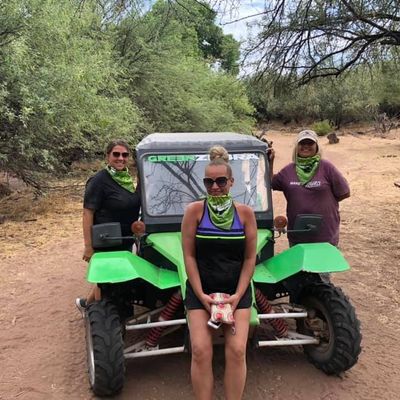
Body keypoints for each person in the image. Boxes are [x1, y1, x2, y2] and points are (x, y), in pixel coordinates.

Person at [181, 146, 257, 400]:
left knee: (237, 351)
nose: (215, 187)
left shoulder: (245, 214)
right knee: (200, 350)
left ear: (231, 182)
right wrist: (202, 295)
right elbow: (189, 256)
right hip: (201, 289)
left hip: (236, 290)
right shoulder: (194, 211)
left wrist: (237, 295)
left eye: (221, 181)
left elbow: (249, 258)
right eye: (209, 182)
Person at [75, 139, 141, 312]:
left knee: (115, 278)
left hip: (125, 238)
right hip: (106, 239)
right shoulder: (99, 180)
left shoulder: (127, 180)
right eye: (116, 154)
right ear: (107, 156)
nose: (121, 158)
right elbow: (87, 213)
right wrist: (88, 246)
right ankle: (100, 315)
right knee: (105, 281)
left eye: (125, 155)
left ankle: (85, 305)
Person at [269, 130, 350, 246]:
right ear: (296, 147)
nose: (306, 146)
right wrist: (270, 162)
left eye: (310, 143)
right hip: (298, 234)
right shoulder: (288, 170)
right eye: (302, 143)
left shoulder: (327, 167)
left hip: (325, 234)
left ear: (316, 147)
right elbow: (271, 183)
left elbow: (344, 192)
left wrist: (323, 204)